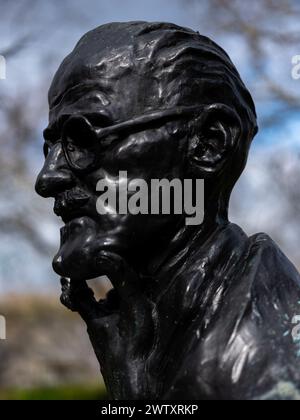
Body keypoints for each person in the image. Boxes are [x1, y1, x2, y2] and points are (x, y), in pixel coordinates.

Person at [35, 21, 300, 400]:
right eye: (52, 147)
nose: (47, 178)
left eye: (83, 139)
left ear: (209, 143)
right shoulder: (152, 330)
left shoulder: (260, 365)